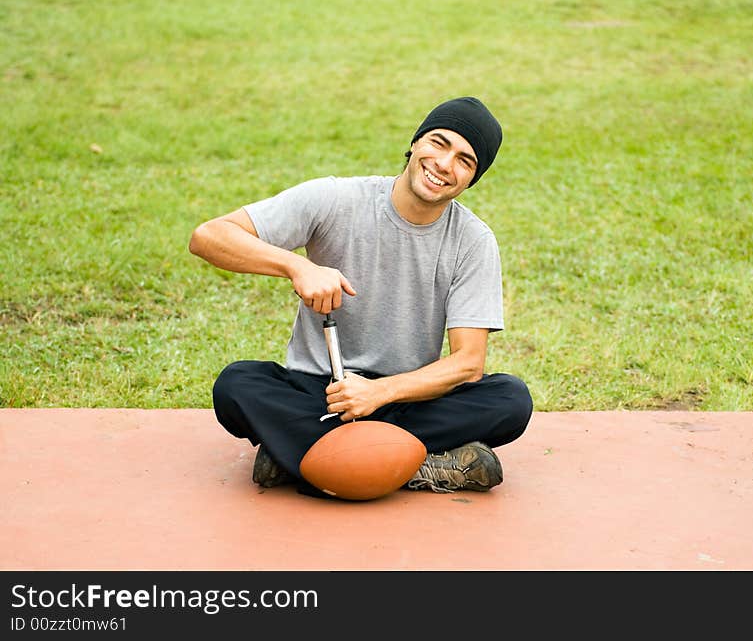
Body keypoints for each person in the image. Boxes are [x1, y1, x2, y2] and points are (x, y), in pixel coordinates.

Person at [189, 96, 533, 497]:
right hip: (319, 394)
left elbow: (468, 364)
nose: (444, 164)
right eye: (438, 143)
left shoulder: (473, 241)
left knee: (510, 399)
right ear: (416, 142)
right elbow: (208, 237)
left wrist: (379, 392)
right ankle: (411, 463)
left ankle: (302, 459)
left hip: (406, 395)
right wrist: (297, 267)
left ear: (471, 179)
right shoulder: (336, 199)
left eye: (464, 160)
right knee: (237, 385)